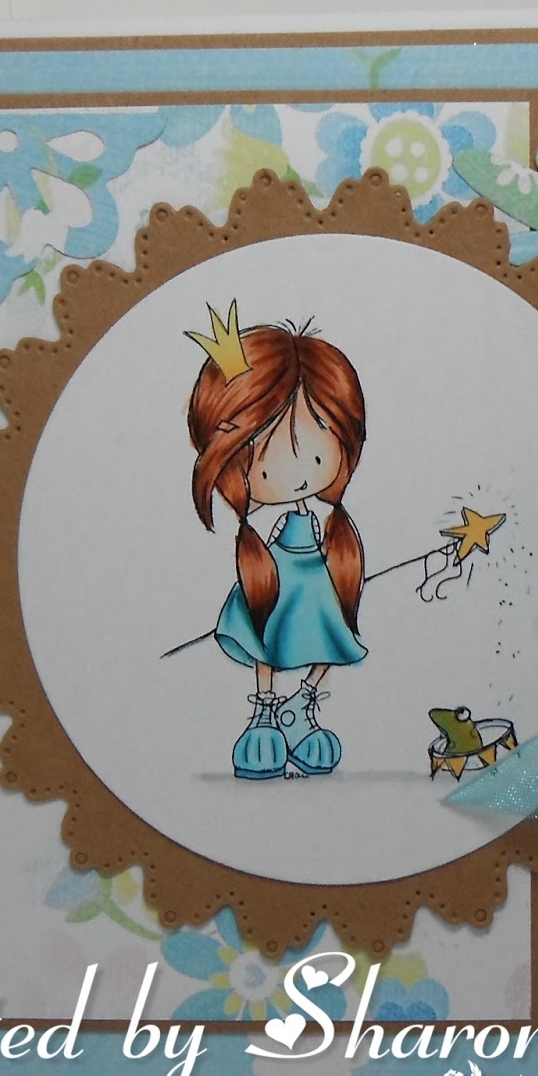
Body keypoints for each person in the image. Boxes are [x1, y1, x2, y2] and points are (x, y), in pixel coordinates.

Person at [187, 307, 367, 780]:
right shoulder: (261, 542)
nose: (299, 471)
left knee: (329, 641)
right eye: (265, 461)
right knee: (267, 641)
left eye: (318, 449)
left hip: (315, 581)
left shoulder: (326, 524)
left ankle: (303, 705)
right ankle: (266, 710)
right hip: (278, 579)